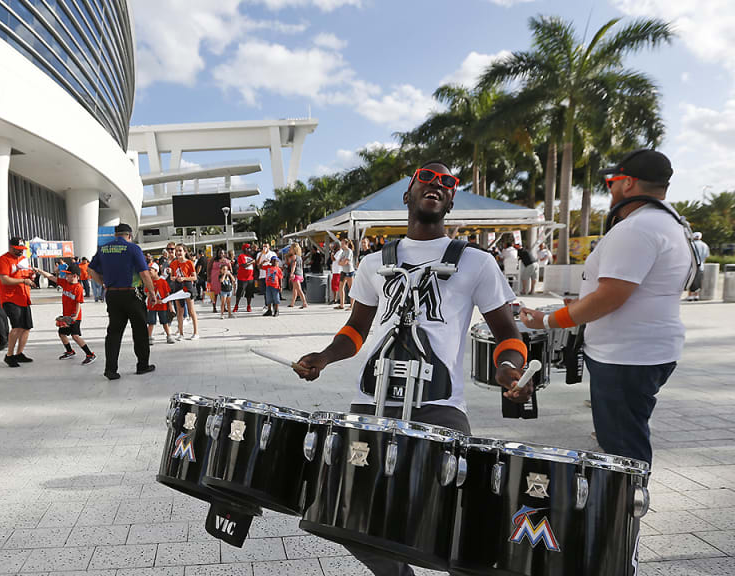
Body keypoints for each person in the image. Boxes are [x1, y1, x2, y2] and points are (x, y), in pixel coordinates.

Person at [294, 161, 528, 576]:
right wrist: (324, 357)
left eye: (447, 183)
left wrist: (509, 367)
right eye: (427, 178)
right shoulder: (373, 263)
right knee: (344, 518)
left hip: (439, 406)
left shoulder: (476, 262)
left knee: (458, 523)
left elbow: (508, 333)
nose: (437, 185)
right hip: (371, 402)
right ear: (408, 194)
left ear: (450, 202)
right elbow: (356, 329)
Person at [521, 149, 692, 466]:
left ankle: (628, 498)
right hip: (643, 352)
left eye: (612, 182)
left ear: (628, 183)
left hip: (625, 357)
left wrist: (548, 320)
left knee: (622, 451)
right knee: (626, 437)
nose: (610, 189)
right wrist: (583, 303)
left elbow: (610, 297)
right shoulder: (670, 223)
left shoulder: (636, 228)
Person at [88, 223, 159, 380]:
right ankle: (142, 365)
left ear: (115, 235)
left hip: (112, 295)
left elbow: (90, 269)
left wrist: (102, 283)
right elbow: (144, 273)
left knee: (114, 333)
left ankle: (110, 369)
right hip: (132, 295)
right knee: (139, 331)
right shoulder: (133, 248)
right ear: (129, 236)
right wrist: (152, 293)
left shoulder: (103, 249)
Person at [0, 237, 37, 368]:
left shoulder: (23, 259)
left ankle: (19, 353)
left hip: (24, 297)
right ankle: (9, 355)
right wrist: (23, 281)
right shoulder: (3, 260)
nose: (20, 251)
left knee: (26, 327)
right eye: (17, 249)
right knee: (17, 327)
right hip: (10, 298)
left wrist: (31, 276)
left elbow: (27, 273)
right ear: (11, 247)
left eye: (22, 249)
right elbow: (4, 279)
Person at [56, 264, 96, 364]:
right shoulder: (65, 283)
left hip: (74, 317)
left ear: (74, 276)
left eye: (68, 274)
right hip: (66, 316)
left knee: (75, 336)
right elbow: (52, 278)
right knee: (62, 334)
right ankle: (70, 351)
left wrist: (75, 316)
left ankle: (90, 354)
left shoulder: (78, 288)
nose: (66, 276)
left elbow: (78, 303)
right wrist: (40, 271)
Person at [170, 245, 199, 340]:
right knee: (179, 311)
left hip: (187, 286)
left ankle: (196, 332)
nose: (178, 253)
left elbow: (194, 277)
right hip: (178, 287)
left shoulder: (189, 263)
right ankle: (181, 333)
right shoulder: (173, 263)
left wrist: (184, 278)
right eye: (176, 251)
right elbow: (171, 276)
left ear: (185, 252)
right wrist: (174, 278)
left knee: (191, 310)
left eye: (180, 250)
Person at [146, 265, 174, 344]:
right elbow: (148, 294)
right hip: (152, 306)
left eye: (150, 270)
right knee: (151, 322)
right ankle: (149, 337)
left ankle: (169, 336)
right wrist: (154, 300)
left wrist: (170, 306)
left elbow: (167, 294)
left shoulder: (163, 281)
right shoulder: (148, 282)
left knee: (165, 322)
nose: (149, 272)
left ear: (156, 271)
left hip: (163, 306)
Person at [233, 244, 256, 313]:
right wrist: (252, 261)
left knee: (249, 294)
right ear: (244, 249)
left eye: (250, 248)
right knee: (239, 293)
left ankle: (248, 306)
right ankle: (236, 305)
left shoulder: (251, 257)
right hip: (242, 278)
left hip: (250, 278)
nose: (250, 250)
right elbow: (244, 265)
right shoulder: (241, 256)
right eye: (248, 248)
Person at [688, 232, 710, 301]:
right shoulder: (705, 245)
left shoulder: (691, 244)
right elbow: (706, 256)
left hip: (691, 266)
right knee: (698, 280)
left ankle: (690, 296)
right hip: (701, 266)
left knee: (691, 280)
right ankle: (696, 295)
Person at [334, 238, 355, 310]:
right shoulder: (343, 252)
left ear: (347, 244)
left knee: (350, 288)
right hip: (343, 271)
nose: (341, 245)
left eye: (343, 244)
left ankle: (352, 305)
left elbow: (345, 262)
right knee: (341, 287)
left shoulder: (349, 251)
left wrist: (341, 262)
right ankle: (341, 304)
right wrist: (341, 262)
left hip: (349, 271)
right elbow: (339, 262)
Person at [208, 249, 230, 314]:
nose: (221, 254)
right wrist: (208, 277)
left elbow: (229, 268)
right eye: (220, 253)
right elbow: (208, 268)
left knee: (222, 293)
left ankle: (224, 307)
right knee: (214, 294)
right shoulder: (213, 259)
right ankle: (214, 307)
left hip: (222, 278)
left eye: (222, 253)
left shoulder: (226, 260)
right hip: (214, 278)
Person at [256, 243, 277, 309]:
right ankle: (267, 304)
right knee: (265, 291)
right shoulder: (259, 254)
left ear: (269, 247)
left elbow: (276, 263)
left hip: (271, 275)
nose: (264, 247)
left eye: (266, 246)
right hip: (262, 275)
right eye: (263, 246)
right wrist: (262, 254)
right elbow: (257, 263)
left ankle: (274, 304)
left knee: (272, 291)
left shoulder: (272, 253)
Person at [288, 243, 308, 309]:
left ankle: (304, 302)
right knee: (295, 289)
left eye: (291, 248)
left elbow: (293, 265)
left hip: (296, 274)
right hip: (300, 274)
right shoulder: (299, 257)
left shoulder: (294, 256)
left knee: (299, 289)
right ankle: (292, 303)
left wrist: (291, 273)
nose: (290, 250)